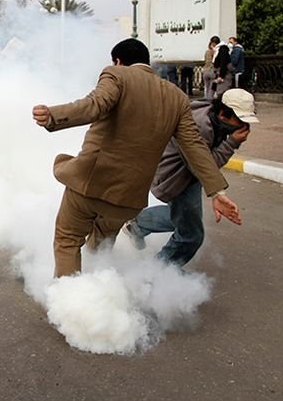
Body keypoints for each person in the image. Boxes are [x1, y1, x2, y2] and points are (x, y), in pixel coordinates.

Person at [32, 38, 242, 278]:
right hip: (128, 199)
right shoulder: (177, 97)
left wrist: (53, 116)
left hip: (90, 185)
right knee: (102, 242)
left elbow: (95, 104)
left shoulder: (116, 75)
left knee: (67, 240)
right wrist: (217, 192)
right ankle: (96, 291)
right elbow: (195, 146)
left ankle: (70, 305)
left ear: (118, 61)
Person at [124, 89, 259, 266]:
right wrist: (232, 143)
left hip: (186, 175)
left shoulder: (214, 118)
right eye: (240, 121)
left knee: (186, 219)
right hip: (176, 177)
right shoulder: (201, 126)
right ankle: (160, 271)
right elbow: (204, 165)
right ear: (223, 114)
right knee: (191, 235)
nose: (244, 127)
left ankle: (137, 225)